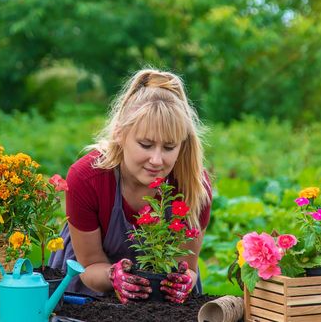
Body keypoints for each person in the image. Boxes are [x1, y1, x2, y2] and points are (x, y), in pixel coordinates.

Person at [49, 68, 212, 304]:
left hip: (162, 301)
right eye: (145, 144)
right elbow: (90, 265)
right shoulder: (87, 178)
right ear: (120, 134)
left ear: (182, 145)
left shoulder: (194, 184)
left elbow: (188, 268)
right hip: (88, 292)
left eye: (169, 148)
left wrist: (183, 279)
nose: (157, 160)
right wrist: (114, 275)